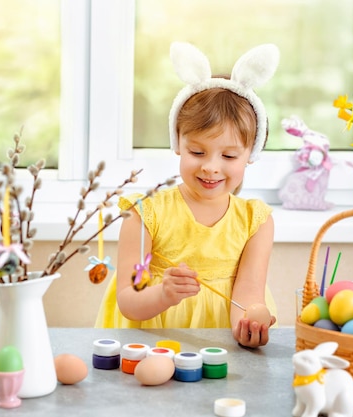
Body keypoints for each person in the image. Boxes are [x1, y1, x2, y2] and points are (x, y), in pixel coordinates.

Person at [95, 42, 280, 348]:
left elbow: (248, 295)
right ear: (178, 143)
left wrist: (248, 325)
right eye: (197, 151)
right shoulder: (145, 214)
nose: (210, 167)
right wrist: (163, 294)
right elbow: (128, 301)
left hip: (218, 349)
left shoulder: (255, 222)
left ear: (251, 154)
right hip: (152, 346)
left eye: (230, 156)